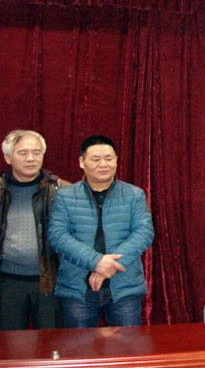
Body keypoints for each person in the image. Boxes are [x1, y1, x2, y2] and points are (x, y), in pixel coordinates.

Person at [49, 135, 154, 328]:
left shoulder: (134, 194)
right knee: (78, 345)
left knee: (128, 344)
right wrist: (96, 262)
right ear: (82, 162)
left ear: (116, 161)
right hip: (78, 289)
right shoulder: (65, 196)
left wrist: (110, 266)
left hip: (124, 287)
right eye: (96, 159)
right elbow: (58, 236)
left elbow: (144, 233)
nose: (103, 164)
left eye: (108, 158)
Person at [0, 130, 69, 330]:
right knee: (9, 344)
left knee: (52, 343)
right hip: (7, 282)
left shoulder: (63, 190)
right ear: (8, 158)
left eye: (36, 152)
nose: (30, 158)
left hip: (51, 282)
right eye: (23, 153)